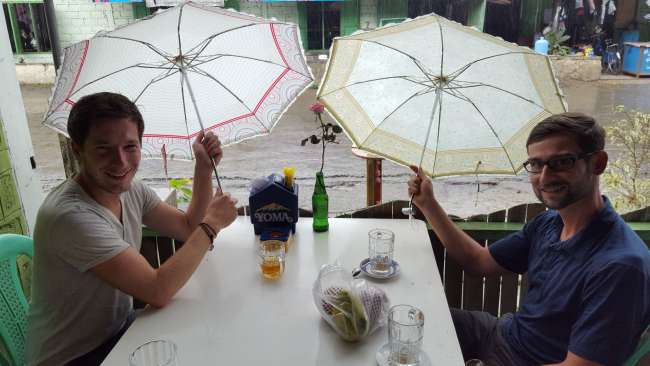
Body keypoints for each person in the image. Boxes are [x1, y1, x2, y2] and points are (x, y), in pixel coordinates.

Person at [408, 112, 650, 365]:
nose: (544, 177)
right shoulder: (548, 224)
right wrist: (428, 204)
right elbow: (477, 261)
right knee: (405, 324)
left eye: (562, 162)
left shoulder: (620, 266)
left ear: (598, 163)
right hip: (502, 333)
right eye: (536, 164)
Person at [25, 92, 238, 365]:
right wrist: (211, 224)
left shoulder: (131, 190)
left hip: (119, 332)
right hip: (74, 356)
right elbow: (157, 291)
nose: (121, 162)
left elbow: (187, 228)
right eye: (104, 149)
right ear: (77, 150)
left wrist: (204, 168)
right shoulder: (70, 216)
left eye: (130, 146)